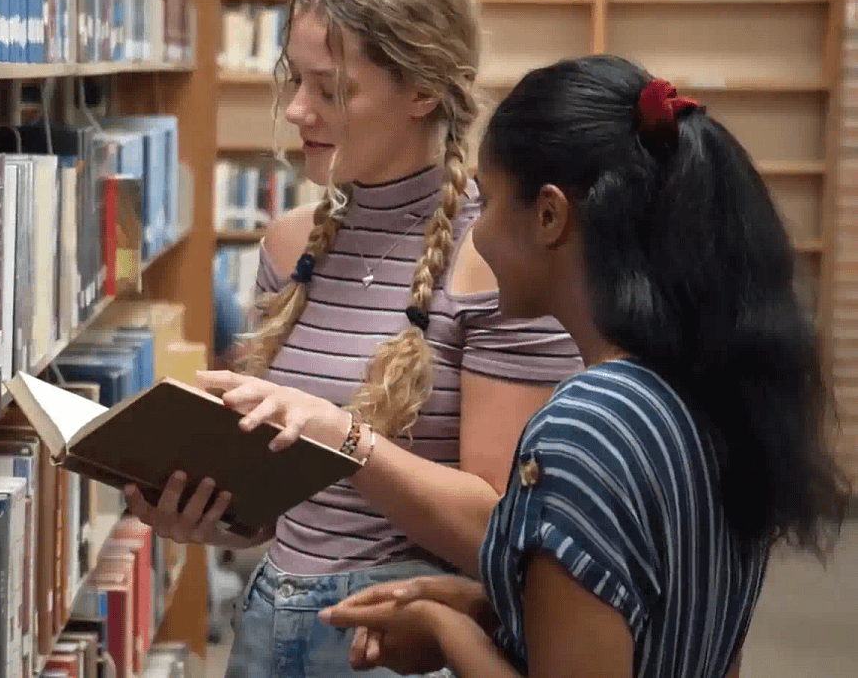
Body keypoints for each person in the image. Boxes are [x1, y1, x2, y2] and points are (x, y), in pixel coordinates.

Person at [122, 0, 583, 677]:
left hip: (398, 646)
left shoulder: (502, 258)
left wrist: (346, 437)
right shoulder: (287, 246)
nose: (298, 110)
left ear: (422, 92)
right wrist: (206, 512)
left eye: (331, 89)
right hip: (269, 622)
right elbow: (279, 513)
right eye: (292, 79)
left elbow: (503, 530)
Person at [316, 55, 851, 678]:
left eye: (487, 204)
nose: (477, 236)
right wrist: (499, 604)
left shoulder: (585, 427)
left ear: (549, 215)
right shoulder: (709, 390)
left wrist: (444, 631)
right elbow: (671, 620)